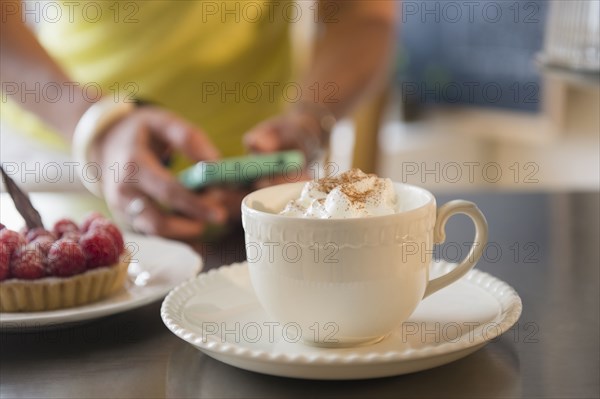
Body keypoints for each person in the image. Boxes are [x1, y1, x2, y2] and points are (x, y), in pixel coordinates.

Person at [1, 0, 396, 240]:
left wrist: (308, 122)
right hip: (66, 187)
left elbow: (364, 14)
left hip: (256, 212)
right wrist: (97, 128)